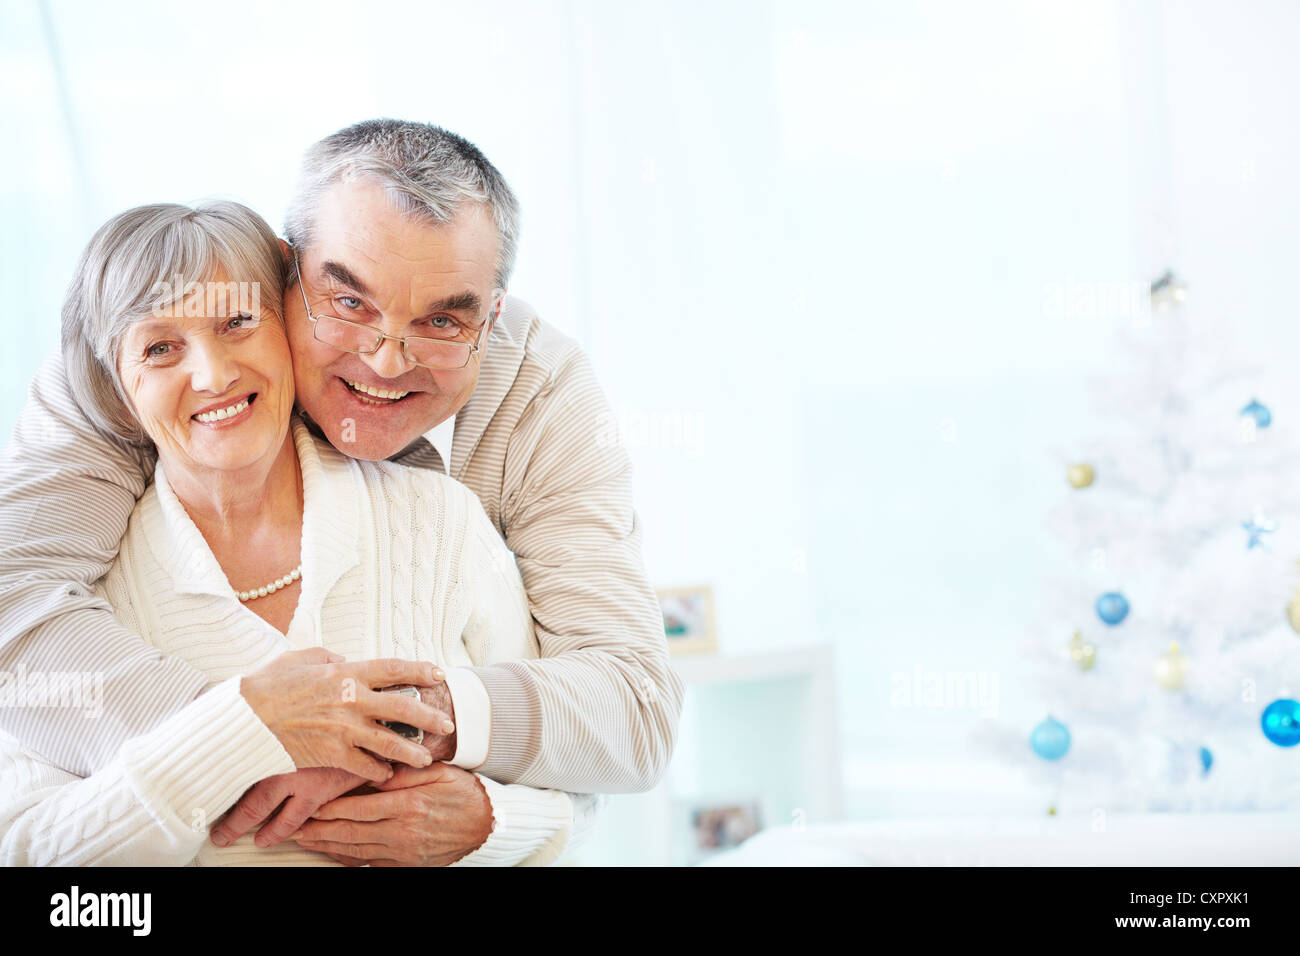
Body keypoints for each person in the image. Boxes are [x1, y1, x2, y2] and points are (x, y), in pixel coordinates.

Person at [0, 119, 683, 864]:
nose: (388, 361)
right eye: (348, 302)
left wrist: (432, 744)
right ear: (288, 273)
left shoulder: (539, 395)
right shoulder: (138, 371)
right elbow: (12, 610)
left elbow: (631, 709)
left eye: (443, 320)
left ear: (492, 316)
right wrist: (249, 732)